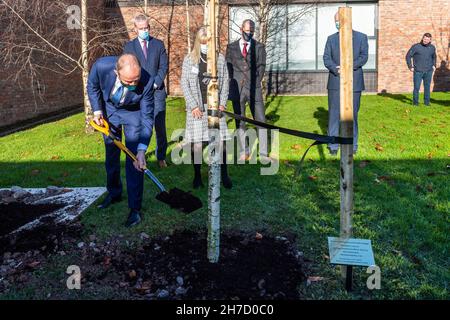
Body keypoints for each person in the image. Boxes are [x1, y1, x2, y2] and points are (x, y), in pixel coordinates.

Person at [87, 54, 155, 227]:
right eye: (129, 81)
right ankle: (114, 192)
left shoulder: (147, 81)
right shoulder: (101, 66)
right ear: (116, 73)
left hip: (133, 115)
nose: (133, 85)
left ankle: (135, 209)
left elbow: (147, 118)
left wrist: (141, 150)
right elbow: (93, 87)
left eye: (136, 80)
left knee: (134, 160)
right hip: (110, 112)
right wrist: (97, 112)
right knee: (111, 155)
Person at [180, 27, 232, 189]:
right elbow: (184, 84)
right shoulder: (189, 59)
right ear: (198, 41)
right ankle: (197, 176)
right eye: (202, 42)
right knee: (197, 143)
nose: (205, 45)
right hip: (197, 108)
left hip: (215, 106)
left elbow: (225, 83)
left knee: (220, 142)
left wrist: (222, 103)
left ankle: (224, 174)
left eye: (207, 42)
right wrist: (193, 105)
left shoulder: (220, 59)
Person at [124, 13, 169, 168]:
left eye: (147, 28)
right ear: (135, 29)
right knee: (139, 125)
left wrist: (155, 83)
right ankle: (138, 155)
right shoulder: (129, 47)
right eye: (141, 28)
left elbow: (163, 67)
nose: (145, 30)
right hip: (138, 92)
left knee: (159, 125)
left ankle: (161, 156)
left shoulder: (159, 44)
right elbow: (127, 68)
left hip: (157, 91)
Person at [323, 12, 368, 155]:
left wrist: (347, 67)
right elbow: (326, 58)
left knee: (352, 115)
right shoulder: (331, 39)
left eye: (339, 21)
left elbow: (363, 57)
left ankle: (352, 145)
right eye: (335, 21)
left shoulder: (361, 37)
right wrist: (337, 69)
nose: (337, 23)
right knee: (334, 114)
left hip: (354, 83)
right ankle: (333, 146)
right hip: (336, 82)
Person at [226, 19, 270, 162]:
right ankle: (244, 151)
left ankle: (263, 153)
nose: (249, 33)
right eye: (247, 31)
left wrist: (256, 81)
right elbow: (228, 67)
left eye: (252, 31)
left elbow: (262, 66)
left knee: (261, 120)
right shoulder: (231, 47)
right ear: (241, 29)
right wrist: (232, 83)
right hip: (237, 90)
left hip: (254, 89)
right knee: (240, 122)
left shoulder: (259, 47)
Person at [406, 33, 437, 106]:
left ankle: (427, 103)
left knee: (427, 88)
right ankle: (415, 103)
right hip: (418, 71)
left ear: (430, 40)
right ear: (422, 38)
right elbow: (408, 56)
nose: (425, 40)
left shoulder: (432, 47)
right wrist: (410, 66)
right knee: (416, 88)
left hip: (428, 71)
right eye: (424, 38)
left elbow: (434, 57)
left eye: (427, 39)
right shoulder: (416, 47)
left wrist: (434, 65)